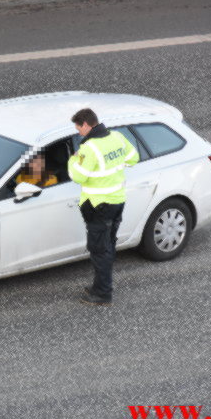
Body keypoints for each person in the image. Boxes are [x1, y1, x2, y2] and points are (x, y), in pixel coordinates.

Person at [67, 108, 139, 305]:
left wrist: (73, 159)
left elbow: (78, 176)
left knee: (100, 250)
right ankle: (100, 285)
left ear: (86, 125)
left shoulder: (88, 149)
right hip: (117, 201)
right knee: (108, 246)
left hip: (99, 205)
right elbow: (133, 158)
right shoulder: (117, 137)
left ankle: (102, 294)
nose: (78, 133)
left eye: (78, 128)